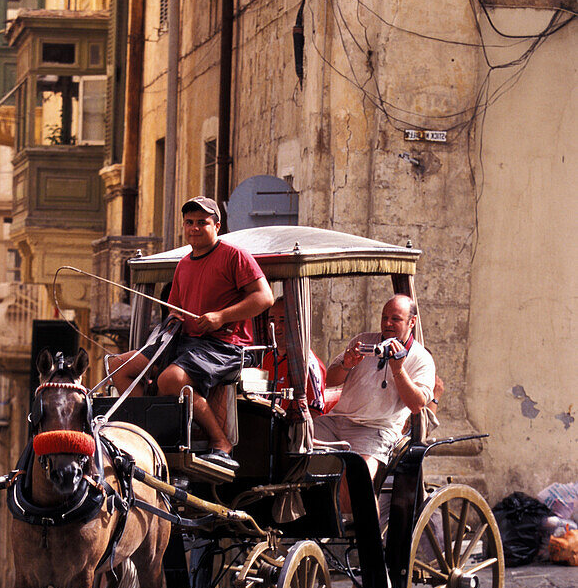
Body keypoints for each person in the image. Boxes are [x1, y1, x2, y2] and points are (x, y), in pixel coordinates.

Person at [108, 196, 274, 468]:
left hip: (224, 345)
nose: (195, 228)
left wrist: (221, 316)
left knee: (171, 378)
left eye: (202, 223)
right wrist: (174, 319)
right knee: (118, 367)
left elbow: (264, 297)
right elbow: (176, 309)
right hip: (186, 342)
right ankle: (149, 435)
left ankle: (221, 442)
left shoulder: (235, 256)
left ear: (217, 226)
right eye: (189, 223)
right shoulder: (184, 264)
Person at [315, 295, 435, 509]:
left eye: (395, 319)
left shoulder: (421, 358)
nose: (387, 323)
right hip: (337, 422)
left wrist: (398, 370)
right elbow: (329, 381)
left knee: (356, 476)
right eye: (384, 317)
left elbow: (417, 405)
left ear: (412, 322)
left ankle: (361, 530)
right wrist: (346, 364)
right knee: (294, 447)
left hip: (376, 429)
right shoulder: (364, 340)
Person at [261, 297, 326, 413]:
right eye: (272, 320)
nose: (276, 327)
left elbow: (315, 412)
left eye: (283, 321)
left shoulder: (307, 363)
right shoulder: (268, 358)